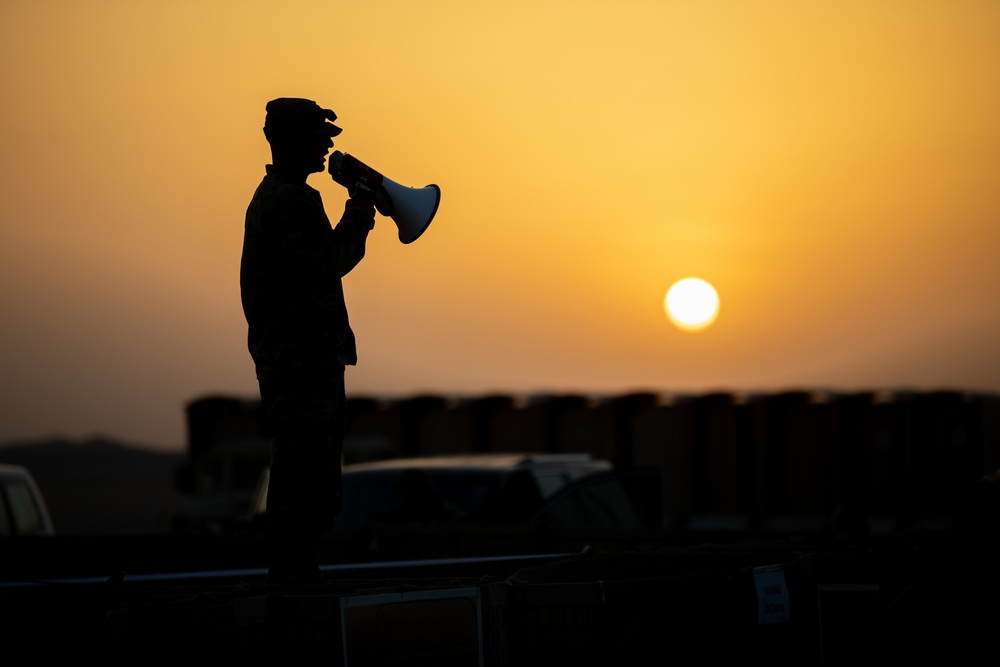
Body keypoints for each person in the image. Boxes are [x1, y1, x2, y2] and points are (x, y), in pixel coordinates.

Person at [240, 97, 376, 584]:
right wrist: (359, 211)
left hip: (296, 357)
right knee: (306, 472)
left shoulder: (275, 194)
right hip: (302, 360)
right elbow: (326, 262)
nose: (328, 145)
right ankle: (294, 575)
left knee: (304, 467)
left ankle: (294, 568)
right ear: (294, 140)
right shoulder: (293, 199)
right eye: (320, 136)